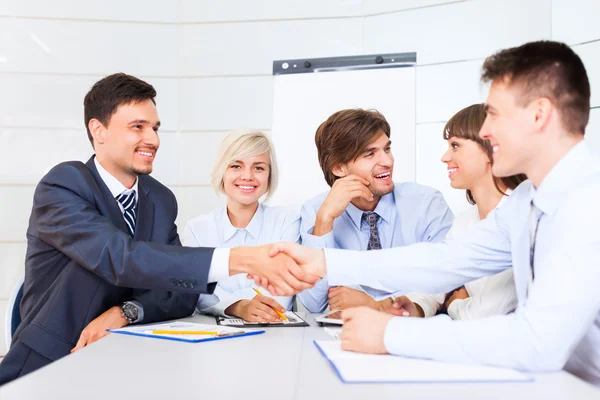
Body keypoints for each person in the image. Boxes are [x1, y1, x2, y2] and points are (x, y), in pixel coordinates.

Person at [267, 40, 600, 386]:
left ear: (539, 114)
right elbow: (447, 259)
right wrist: (323, 263)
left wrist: (390, 334)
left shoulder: (590, 203)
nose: (485, 131)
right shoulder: (526, 201)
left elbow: (538, 343)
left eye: (495, 114)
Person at [0, 74, 317, 386]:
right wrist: (242, 260)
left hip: (131, 360)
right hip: (54, 363)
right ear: (98, 130)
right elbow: (120, 258)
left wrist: (126, 312)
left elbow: (180, 293)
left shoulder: (160, 199)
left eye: (154, 128)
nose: (152, 139)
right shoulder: (64, 186)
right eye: (137, 127)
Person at [297, 109, 454, 313]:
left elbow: (445, 279)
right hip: (341, 336)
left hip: (413, 331)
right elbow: (313, 304)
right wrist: (325, 221)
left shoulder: (426, 204)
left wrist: (376, 304)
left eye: (387, 149)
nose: (387, 161)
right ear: (338, 168)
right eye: (370, 154)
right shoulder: (316, 211)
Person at [398, 104, 526, 320]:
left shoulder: (522, 217)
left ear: (490, 149)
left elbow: (485, 314)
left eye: (455, 146)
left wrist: (455, 303)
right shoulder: (465, 221)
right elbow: (439, 278)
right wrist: (412, 307)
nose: (445, 157)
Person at [183, 130, 299, 322]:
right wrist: (238, 306)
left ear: (270, 176)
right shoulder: (197, 229)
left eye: (259, 168)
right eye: (236, 166)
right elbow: (196, 293)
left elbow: (283, 289)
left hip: (273, 335)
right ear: (222, 172)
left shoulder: (287, 222)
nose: (247, 176)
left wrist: (226, 298)